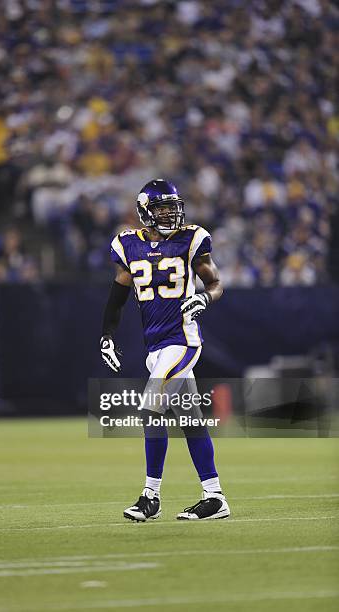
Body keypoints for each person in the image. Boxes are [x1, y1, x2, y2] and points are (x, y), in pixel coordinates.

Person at [100, 179, 230, 522]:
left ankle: (150, 496)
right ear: (145, 212)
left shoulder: (191, 239)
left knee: (149, 408)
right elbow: (117, 297)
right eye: (161, 208)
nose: (170, 214)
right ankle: (214, 497)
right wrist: (107, 335)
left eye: (173, 207)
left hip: (183, 340)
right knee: (190, 420)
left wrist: (204, 297)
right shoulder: (128, 245)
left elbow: (215, 283)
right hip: (155, 346)